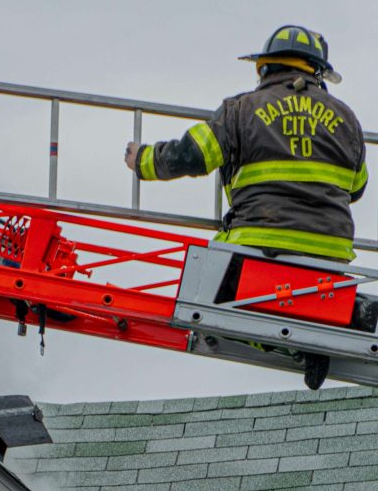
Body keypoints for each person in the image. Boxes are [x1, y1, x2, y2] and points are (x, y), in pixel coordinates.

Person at [124, 25, 369, 389]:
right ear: (317, 73)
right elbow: (358, 187)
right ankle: (345, 314)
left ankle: (297, 348)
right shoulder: (347, 119)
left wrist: (142, 160)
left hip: (259, 245)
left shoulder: (241, 110)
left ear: (264, 68)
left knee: (211, 306)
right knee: (295, 299)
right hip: (329, 257)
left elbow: (191, 155)